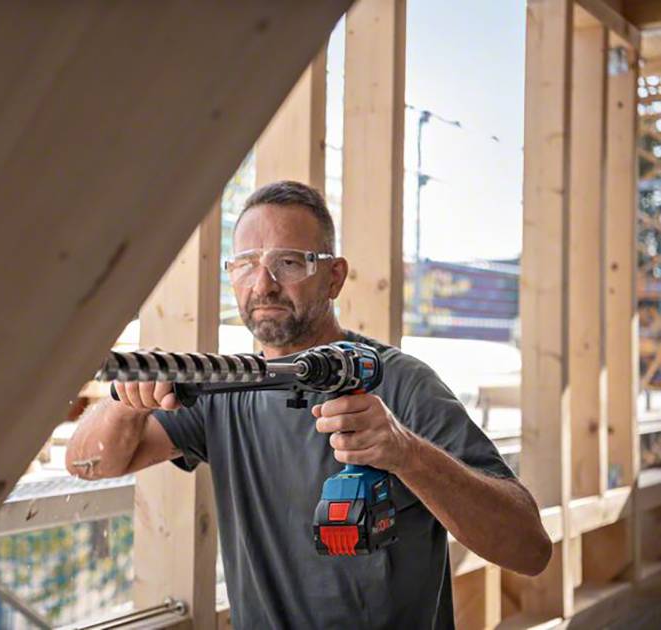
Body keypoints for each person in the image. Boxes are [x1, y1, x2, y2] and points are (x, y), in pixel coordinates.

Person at [65, 180, 551, 629]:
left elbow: (530, 549)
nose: (263, 284)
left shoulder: (400, 384)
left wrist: (407, 453)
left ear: (334, 277)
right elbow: (87, 463)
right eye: (246, 264)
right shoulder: (222, 392)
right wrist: (124, 404)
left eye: (289, 262)